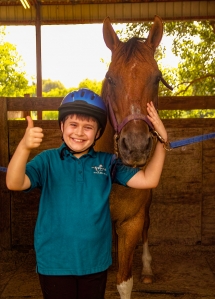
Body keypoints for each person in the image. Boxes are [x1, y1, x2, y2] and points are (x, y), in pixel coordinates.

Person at [6, 88, 167, 299]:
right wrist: (24, 148)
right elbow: (14, 182)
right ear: (62, 126)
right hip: (55, 264)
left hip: (95, 263)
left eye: (88, 127)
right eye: (73, 125)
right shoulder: (47, 161)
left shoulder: (108, 163)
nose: (79, 133)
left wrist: (162, 141)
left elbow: (149, 179)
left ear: (99, 132)